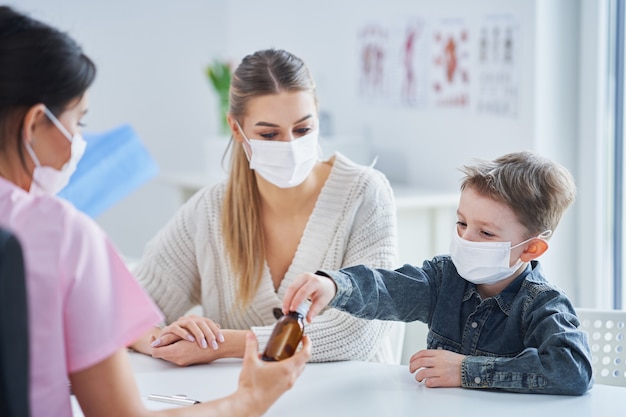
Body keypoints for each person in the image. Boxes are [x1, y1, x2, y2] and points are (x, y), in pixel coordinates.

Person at [0, 6, 309, 417]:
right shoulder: (61, 234)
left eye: (303, 129)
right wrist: (252, 397)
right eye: (79, 122)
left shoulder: (363, 193)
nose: (78, 141)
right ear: (36, 122)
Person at [130, 48, 401, 365]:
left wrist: (224, 344)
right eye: (269, 134)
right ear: (237, 129)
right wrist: (163, 340)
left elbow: (358, 336)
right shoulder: (209, 210)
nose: (290, 146)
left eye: (303, 129)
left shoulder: (365, 194)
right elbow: (125, 312)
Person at [282, 151, 594, 396]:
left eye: (485, 233)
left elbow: (574, 369)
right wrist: (335, 286)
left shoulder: (542, 304)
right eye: (462, 223)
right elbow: (388, 288)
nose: (466, 238)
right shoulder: (445, 278)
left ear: (530, 250)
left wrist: (466, 371)